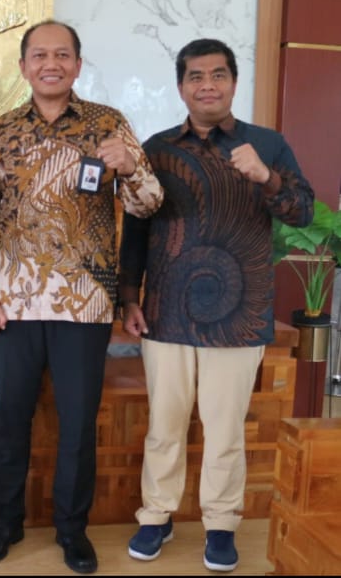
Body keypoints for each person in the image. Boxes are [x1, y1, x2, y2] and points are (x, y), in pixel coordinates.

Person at [0, 20, 164, 574]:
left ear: (77, 64)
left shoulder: (108, 124)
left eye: (63, 55)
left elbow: (149, 205)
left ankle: (72, 531)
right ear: (24, 66)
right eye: (39, 55)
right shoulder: (1, 131)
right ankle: (3, 524)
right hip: (14, 305)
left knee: (78, 423)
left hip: (86, 303)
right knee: (10, 419)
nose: (51, 64)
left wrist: (131, 169)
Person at [118, 38, 314, 572]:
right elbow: (136, 227)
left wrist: (266, 177)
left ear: (233, 81)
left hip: (240, 310)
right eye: (196, 76)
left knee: (225, 429)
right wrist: (128, 297)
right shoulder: (156, 149)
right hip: (167, 307)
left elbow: (303, 211)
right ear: (181, 85)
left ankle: (221, 524)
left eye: (219, 74)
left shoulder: (267, 144)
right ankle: (155, 515)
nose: (208, 84)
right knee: (165, 424)